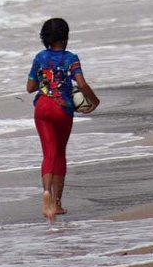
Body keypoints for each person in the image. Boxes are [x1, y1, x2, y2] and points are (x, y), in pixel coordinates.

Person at [27, 17, 99, 222]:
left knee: (48, 154)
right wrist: (95, 101)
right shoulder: (71, 58)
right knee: (60, 154)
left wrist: (44, 81)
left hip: (41, 108)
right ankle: (57, 203)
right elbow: (82, 84)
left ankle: (46, 193)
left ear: (45, 37)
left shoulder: (39, 57)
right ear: (66, 37)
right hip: (62, 109)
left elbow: (30, 88)